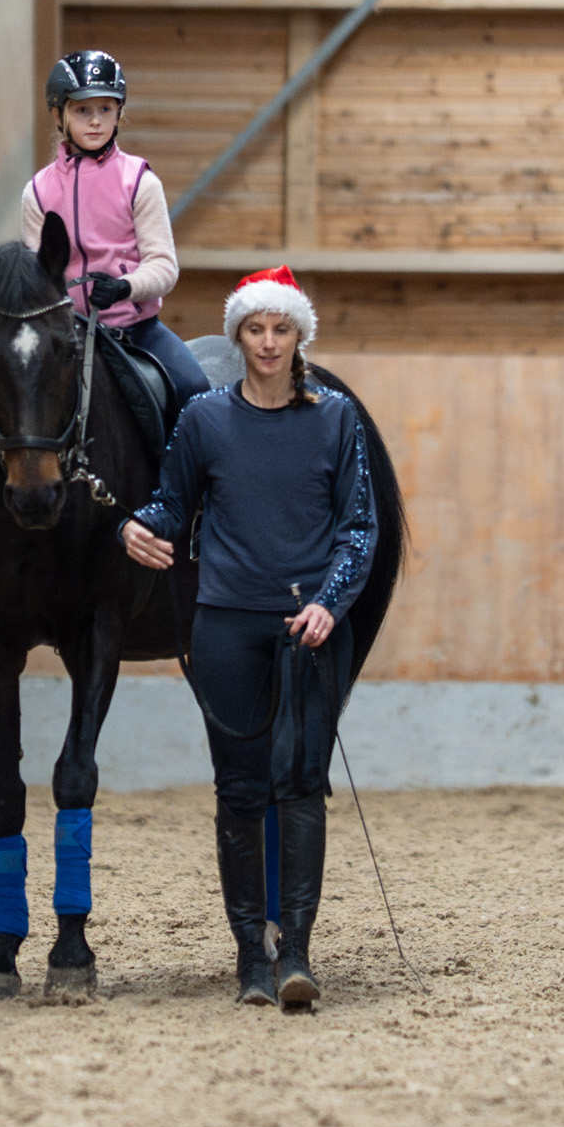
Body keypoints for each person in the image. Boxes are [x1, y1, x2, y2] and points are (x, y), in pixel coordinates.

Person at [120, 269, 376, 1009]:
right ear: (238, 337)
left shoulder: (337, 419)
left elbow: (359, 527)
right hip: (226, 625)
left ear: (300, 336)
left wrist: (330, 603)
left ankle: (295, 952)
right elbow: (171, 505)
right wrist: (132, 526)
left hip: (308, 629)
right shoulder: (204, 418)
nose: (268, 342)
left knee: (300, 784)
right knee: (238, 790)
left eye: (281, 328)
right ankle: (248, 960)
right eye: (255, 329)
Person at [0, 49, 211, 550]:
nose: (96, 120)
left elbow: (164, 266)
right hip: (64, 330)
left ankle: (196, 509)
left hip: (133, 329)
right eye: (83, 110)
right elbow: (37, 274)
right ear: (59, 114)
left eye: (106, 109)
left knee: (194, 387)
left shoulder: (139, 181)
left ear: (119, 113)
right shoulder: (38, 191)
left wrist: (124, 286)